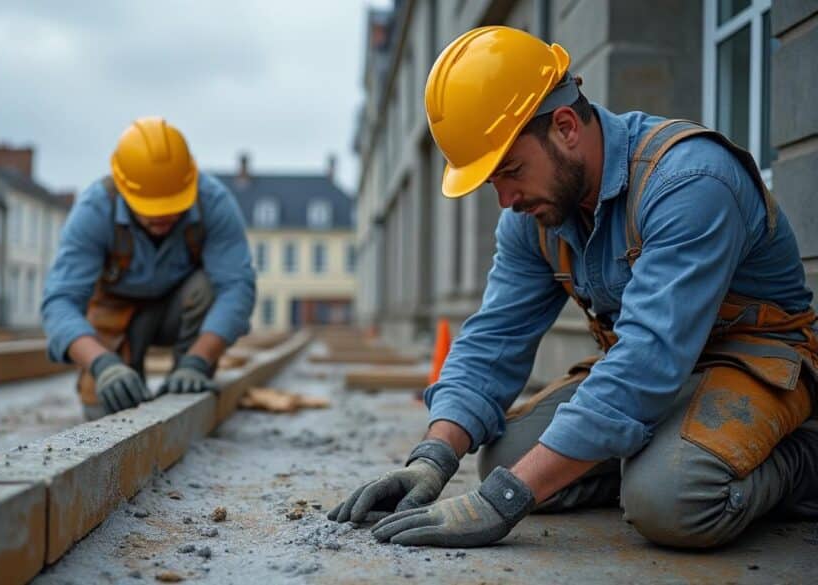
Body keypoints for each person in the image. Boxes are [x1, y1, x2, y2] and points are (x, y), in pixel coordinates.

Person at [330, 26, 818, 549]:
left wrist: (506, 500)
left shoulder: (688, 182)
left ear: (565, 126)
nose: (506, 199)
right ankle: (663, 459)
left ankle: (800, 461)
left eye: (510, 170)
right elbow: (494, 339)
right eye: (493, 182)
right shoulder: (532, 218)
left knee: (670, 501)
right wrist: (433, 456)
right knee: (505, 454)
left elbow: (647, 359)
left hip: (755, 364)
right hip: (660, 371)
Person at [42, 117, 255, 420]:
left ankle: (188, 380)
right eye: (150, 208)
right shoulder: (95, 209)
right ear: (123, 186)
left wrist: (198, 359)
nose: (162, 217)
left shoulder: (213, 202)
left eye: (171, 205)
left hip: (178, 313)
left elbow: (237, 287)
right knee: (104, 412)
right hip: (116, 321)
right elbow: (59, 301)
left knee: (209, 288)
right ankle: (118, 370)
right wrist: (102, 364)